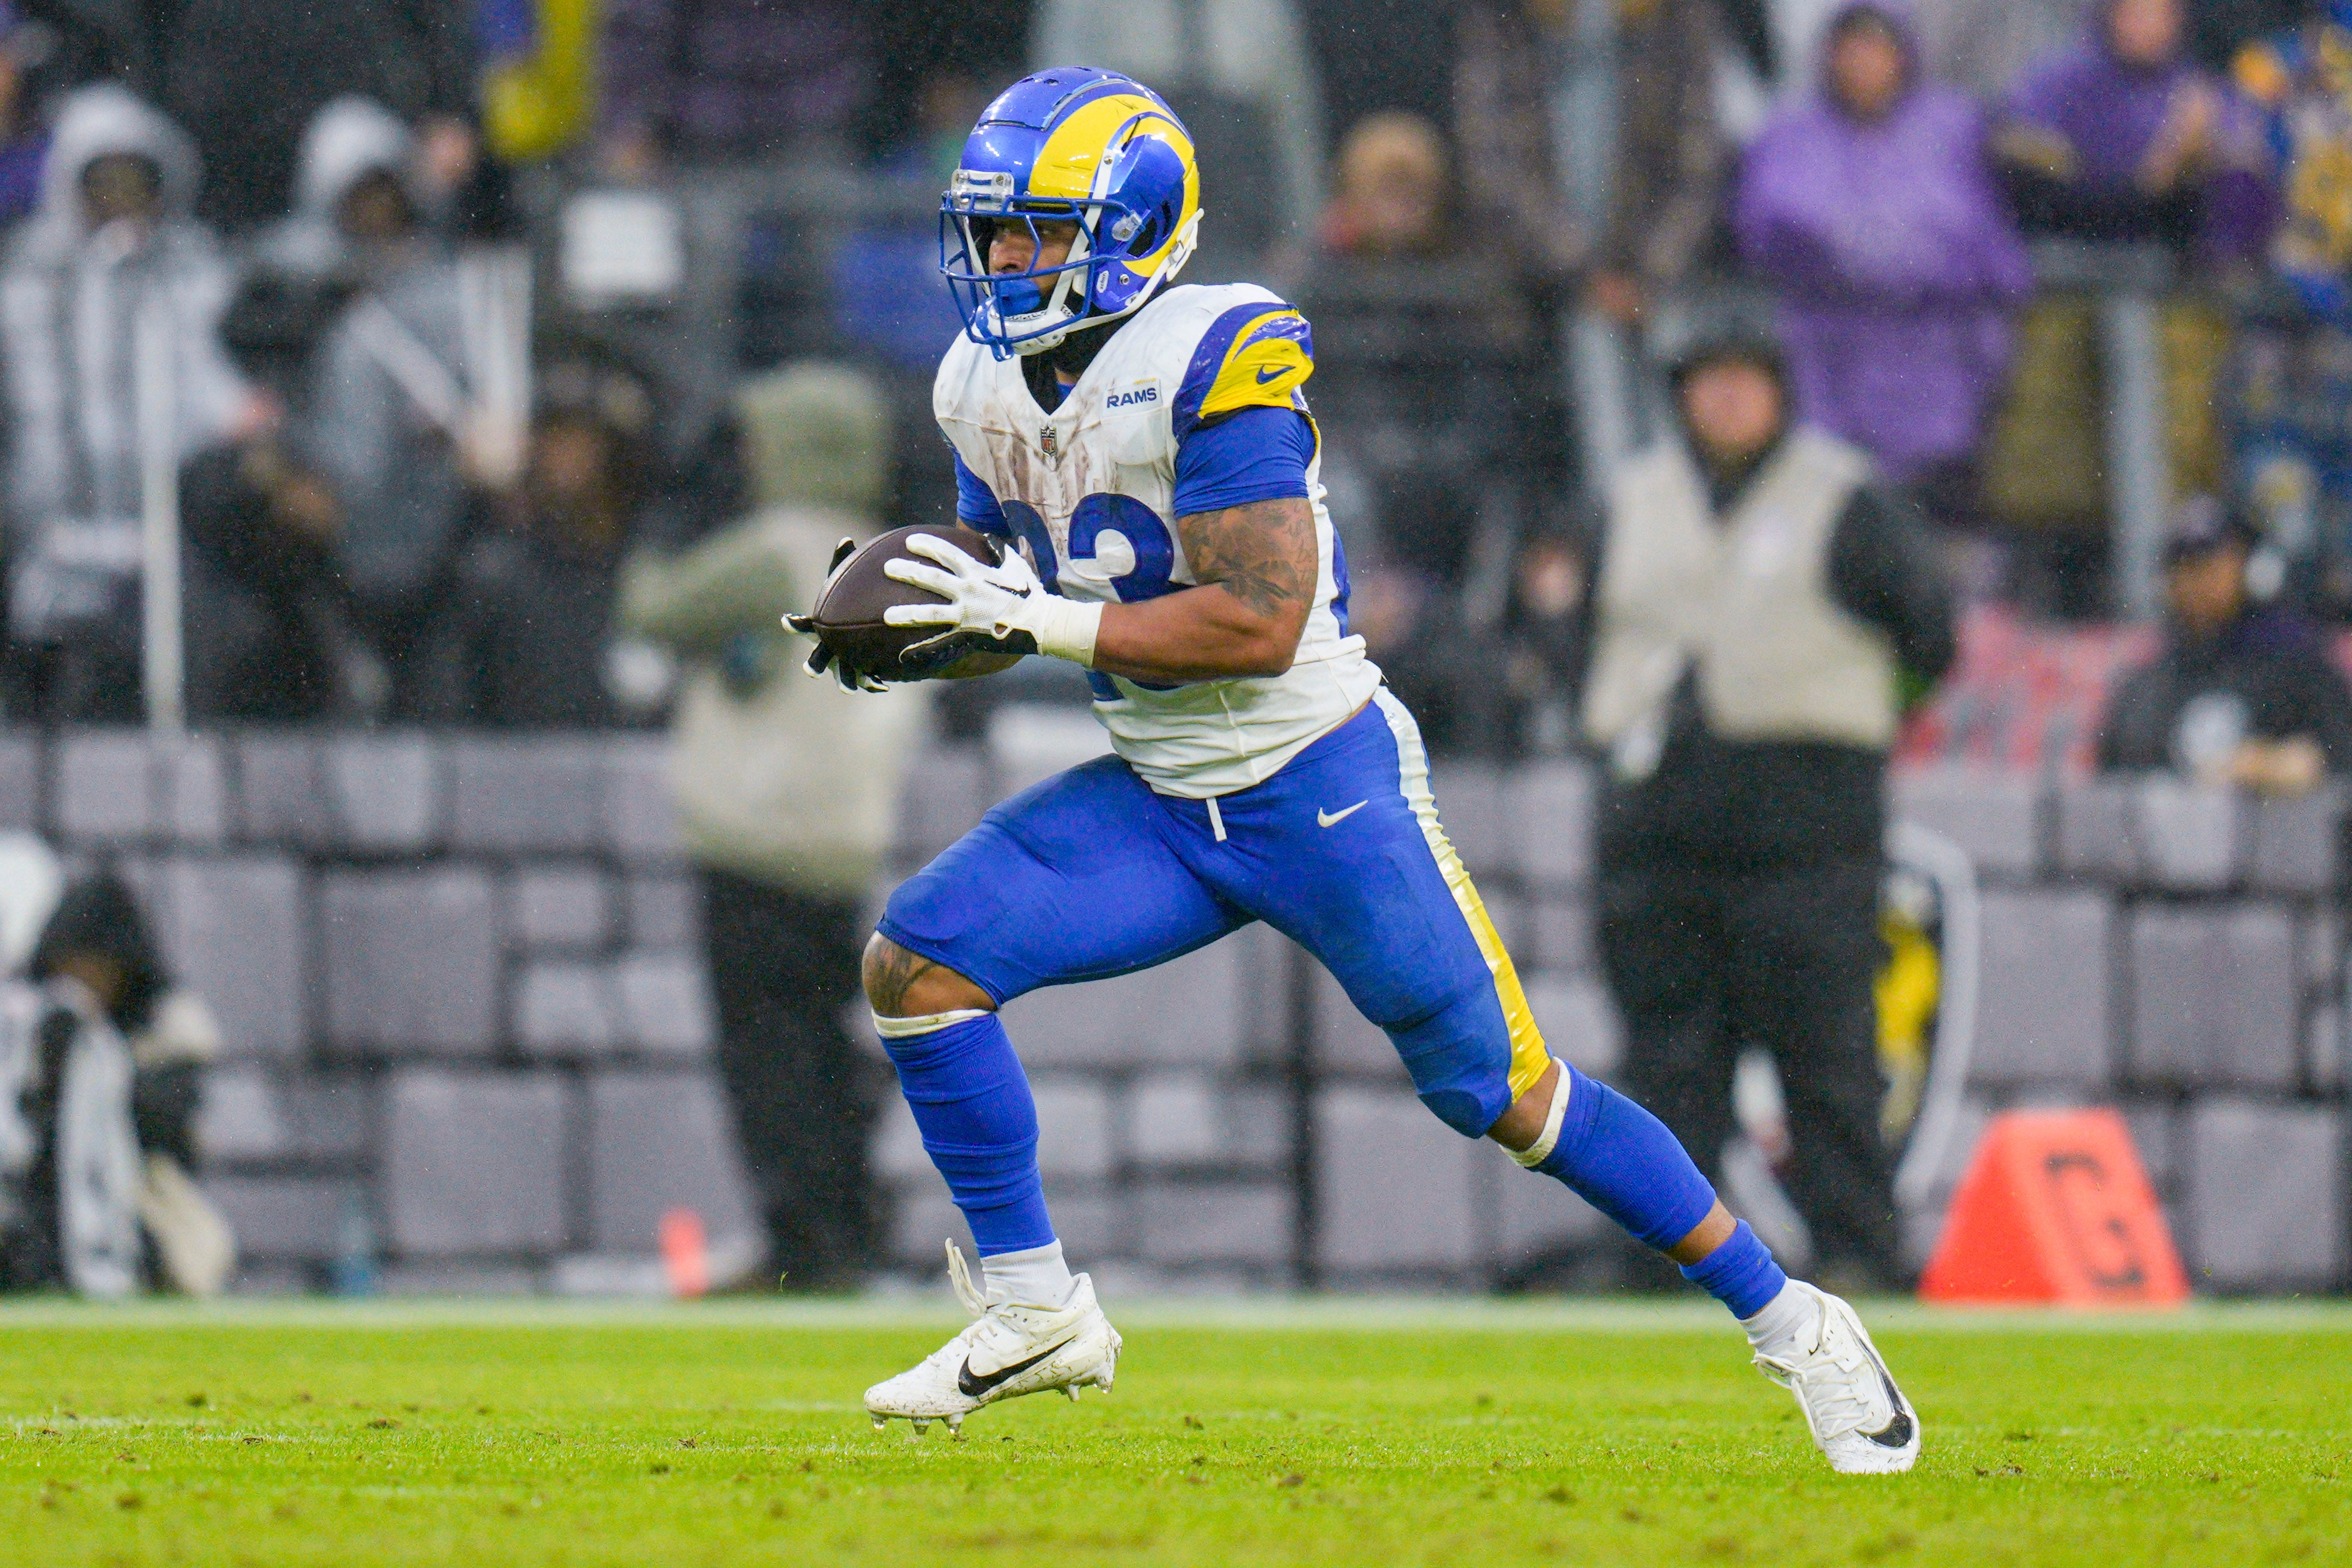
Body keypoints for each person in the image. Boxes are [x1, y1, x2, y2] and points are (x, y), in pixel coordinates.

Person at [797, 67, 1921, 1473]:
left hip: (1313, 782)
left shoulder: (1215, 353)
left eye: (1034, 231)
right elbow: (1012, 585)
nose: (1002, 259)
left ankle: (1793, 1319)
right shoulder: (978, 384)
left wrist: (1027, 624)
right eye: (991, 231)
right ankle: (1032, 1309)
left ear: (1130, 231)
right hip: (1160, 792)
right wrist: (922, 626)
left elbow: (1255, 624)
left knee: (1508, 1095)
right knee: (918, 963)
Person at [1575, 321, 1956, 1294]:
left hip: (1806, 829)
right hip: (1657, 828)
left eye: (1744, 379)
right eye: (1707, 381)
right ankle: (1658, 1262)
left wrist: (1851, 712)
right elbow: (1576, 636)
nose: (1726, 399)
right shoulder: (1630, 496)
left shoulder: (1846, 496)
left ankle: (1857, 1253)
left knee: (1826, 1057)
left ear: (1782, 391)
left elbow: (1930, 634)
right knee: (1667, 1064)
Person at [619, 362, 927, 1288]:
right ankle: (845, 1224)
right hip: (842, 840)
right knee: (820, 1045)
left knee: (766, 1056)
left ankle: (803, 1238)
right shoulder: (890, 561)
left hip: (754, 838)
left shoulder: (774, 553)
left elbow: (652, 612)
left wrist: (658, 532)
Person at [0, 84, 262, 723]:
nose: (120, 202)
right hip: (44, 533)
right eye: (103, 184)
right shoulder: (23, 282)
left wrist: (238, 414)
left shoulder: (194, 276)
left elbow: (212, 382)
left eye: (134, 183)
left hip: (161, 538)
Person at [1736, 2, 2032, 538]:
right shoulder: (1791, 132)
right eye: (1851, 49)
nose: (1864, 65)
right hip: (1828, 363)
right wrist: (1863, 250)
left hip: (1937, 368)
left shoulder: (1951, 126)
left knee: (1935, 522)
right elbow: (1769, 226)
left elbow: (1986, 244)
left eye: (1877, 49)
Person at [418, 347, 663, 728]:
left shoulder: (659, 572)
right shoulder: (495, 577)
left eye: (582, 441)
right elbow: (449, 714)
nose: (564, 459)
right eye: (553, 440)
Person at [2097, 498, 2352, 786]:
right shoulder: (2148, 686)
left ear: (2251, 569)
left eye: (2211, 565)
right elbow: (2111, 781)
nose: (2196, 582)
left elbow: (2339, 755)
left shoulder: (2299, 667)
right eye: (2184, 568)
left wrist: (2284, 765)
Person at [1995, 0, 2275, 259]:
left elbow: (2240, 150)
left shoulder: (2195, 88)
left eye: (2160, 15)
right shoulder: (2064, 79)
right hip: (2072, 229)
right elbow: (2020, 140)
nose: (2147, 27)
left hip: (2162, 239)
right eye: (2136, 14)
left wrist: (2188, 153)